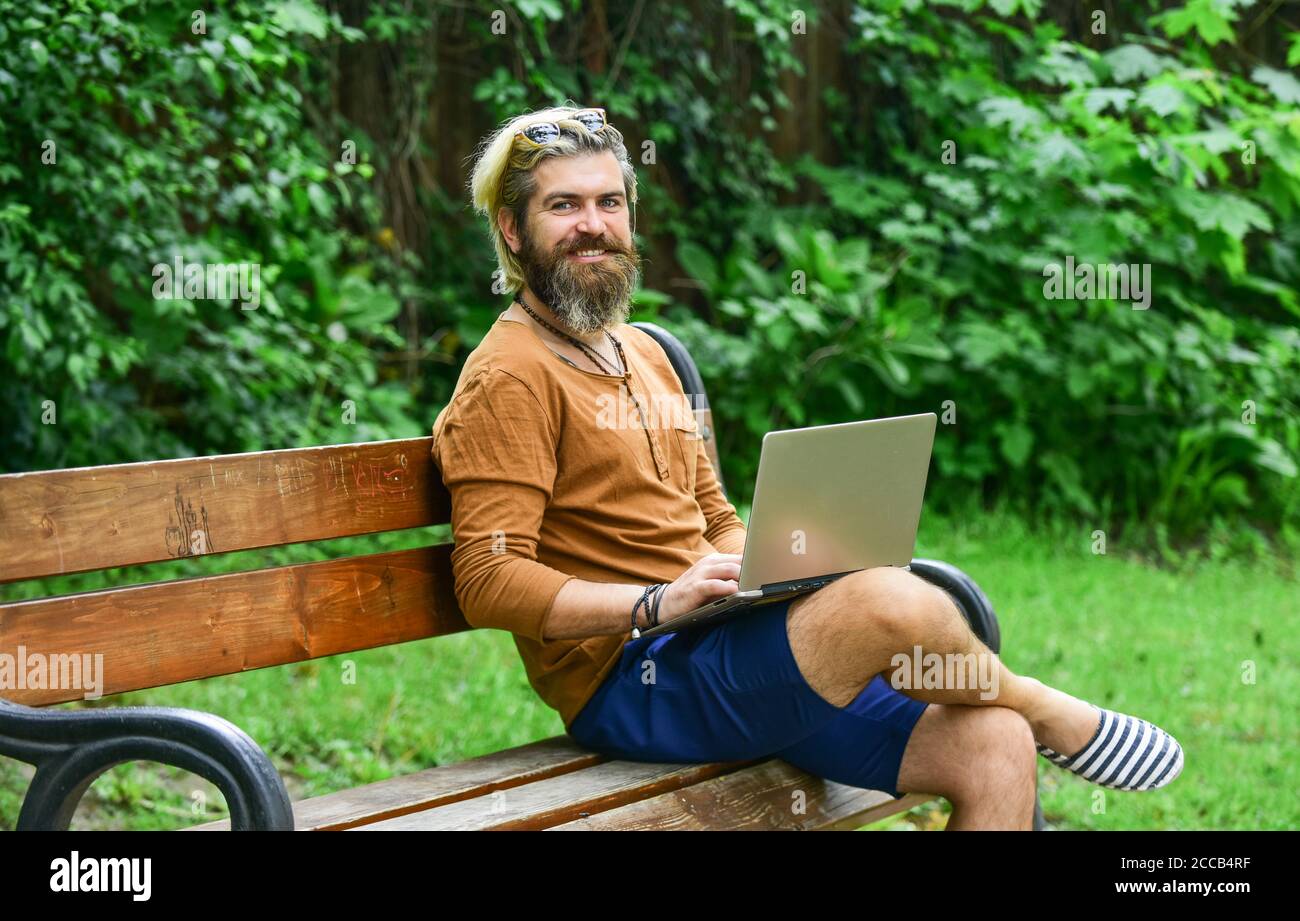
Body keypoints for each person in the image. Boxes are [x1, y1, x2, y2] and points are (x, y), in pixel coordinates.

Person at [430, 103, 1183, 830]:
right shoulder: (509, 376)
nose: (593, 225)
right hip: (636, 678)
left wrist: (780, 567)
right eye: (564, 206)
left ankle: (1024, 719)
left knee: (994, 747)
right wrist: (655, 602)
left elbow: (713, 515)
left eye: (609, 202)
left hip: (722, 643)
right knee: (892, 599)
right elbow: (488, 579)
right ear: (512, 227)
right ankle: (1050, 709)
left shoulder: (645, 352)